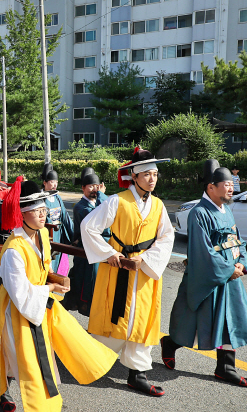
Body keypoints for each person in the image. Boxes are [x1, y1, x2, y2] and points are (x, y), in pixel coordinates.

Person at [0, 178, 117, 412]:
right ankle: (8, 396)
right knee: (20, 355)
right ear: (22, 214)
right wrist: (50, 288)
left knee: (48, 351)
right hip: (19, 308)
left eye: (44, 210)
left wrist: (54, 279)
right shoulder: (13, 250)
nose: (43, 215)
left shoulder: (41, 236)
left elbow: (45, 269)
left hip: (38, 302)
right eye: (37, 211)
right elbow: (19, 293)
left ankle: (17, 397)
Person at [80, 147, 175, 397]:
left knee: (142, 319)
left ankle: (138, 374)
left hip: (144, 270)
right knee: (115, 314)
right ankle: (92, 361)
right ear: (134, 176)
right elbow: (88, 226)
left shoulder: (158, 205)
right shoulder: (117, 200)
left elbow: (166, 236)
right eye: (147, 175)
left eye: (155, 174)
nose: (152, 179)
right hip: (119, 268)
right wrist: (111, 254)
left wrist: (144, 259)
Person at [161, 159, 247, 388]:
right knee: (193, 324)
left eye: (231, 184)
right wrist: (228, 270)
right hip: (207, 279)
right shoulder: (199, 213)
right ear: (211, 188)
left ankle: (225, 368)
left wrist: (241, 263)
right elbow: (202, 252)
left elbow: (237, 240)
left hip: (230, 278)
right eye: (226, 184)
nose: (231, 188)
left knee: (230, 322)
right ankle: (170, 343)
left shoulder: (226, 210)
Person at [63, 169, 108, 316]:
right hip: (85, 251)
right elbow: (98, 219)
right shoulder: (80, 207)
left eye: (96, 186)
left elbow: (110, 214)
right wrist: (102, 196)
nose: (94, 189)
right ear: (83, 188)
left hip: (96, 250)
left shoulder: (98, 203)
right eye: (90, 186)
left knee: (95, 285)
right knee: (85, 284)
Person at [41, 163, 74, 275]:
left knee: (57, 258)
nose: (54, 185)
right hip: (47, 233)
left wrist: (75, 234)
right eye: (52, 182)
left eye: (56, 182)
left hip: (58, 233)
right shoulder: (41, 198)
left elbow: (65, 216)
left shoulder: (57, 197)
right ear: (44, 182)